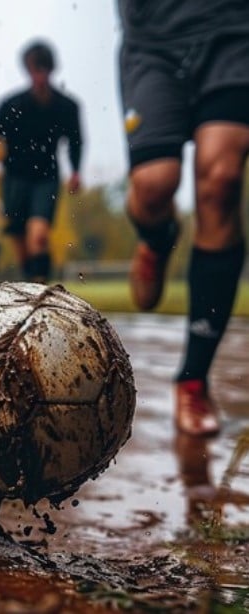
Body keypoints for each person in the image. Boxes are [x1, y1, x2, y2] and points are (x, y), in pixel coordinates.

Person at [117, 0, 249, 436]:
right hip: (153, 36)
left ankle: (193, 378)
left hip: (234, 27)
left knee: (221, 177)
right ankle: (157, 238)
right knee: (154, 185)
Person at [0, 40, 83, 284]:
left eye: (44, 70)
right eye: (36, 70)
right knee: (20, 242)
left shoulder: (66, 107)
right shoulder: (12, 105)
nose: (40, 76)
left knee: (39, 236)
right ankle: (31, 286)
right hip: (14, 179)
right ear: (28, 71)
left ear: (52, 70)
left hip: (46, 178)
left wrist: (76, 170)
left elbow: (76, 142)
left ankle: (42, 289)